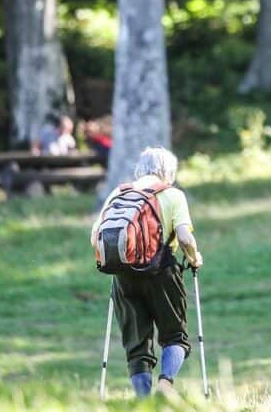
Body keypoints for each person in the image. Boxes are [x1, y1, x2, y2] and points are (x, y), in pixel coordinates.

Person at [90, 147, 204, 398]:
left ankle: (144, 402)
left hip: (123, 277)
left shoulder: (117, 194)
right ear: (168, 172)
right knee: (175, 336)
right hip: (162, 273)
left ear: (139, 170)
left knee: (137, 348)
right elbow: (184, 236)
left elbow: (95, 237)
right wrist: (194, 258)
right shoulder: (172, 195)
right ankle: (165, 385)